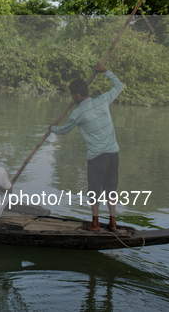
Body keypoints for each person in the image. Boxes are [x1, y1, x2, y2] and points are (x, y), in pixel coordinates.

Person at [49, 63, 124, 232]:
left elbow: (64, 131)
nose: (72, 99)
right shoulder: (103, 100)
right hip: (113, 154)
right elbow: (119, 86)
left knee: (94, 191)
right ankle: (113, 223)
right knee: (111, 190)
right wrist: (106, 71)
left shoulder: (77, 113)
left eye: (72, 96)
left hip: (97, 157)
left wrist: (52, 127)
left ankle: (95, 224)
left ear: (77, 95)